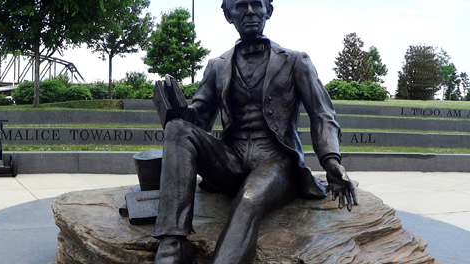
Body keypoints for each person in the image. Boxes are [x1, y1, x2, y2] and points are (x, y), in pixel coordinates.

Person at [151, 0, 357, 263]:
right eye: (240, 5)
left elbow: (322, 114)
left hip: (277, 162)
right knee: (177, 129)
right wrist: (179, 109)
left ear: (267, 11)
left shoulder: (296, 61)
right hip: (231, 161)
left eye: (256, 4)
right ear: (228, 15)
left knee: (248, 199)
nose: (249, 12)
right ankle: (173, 246)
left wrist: (331, 161)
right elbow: (199, 119)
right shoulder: (217, 65)